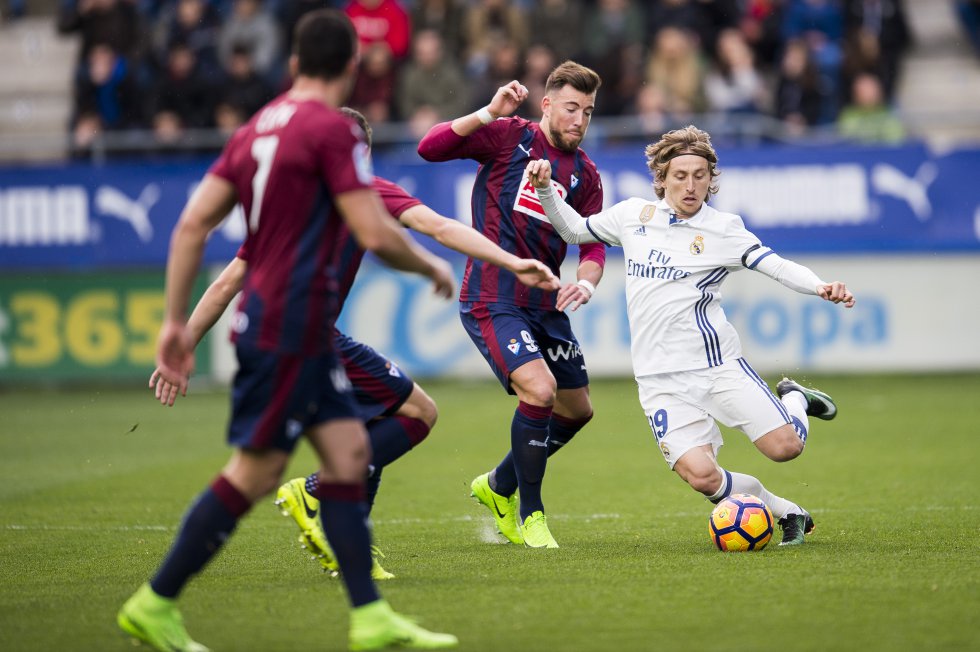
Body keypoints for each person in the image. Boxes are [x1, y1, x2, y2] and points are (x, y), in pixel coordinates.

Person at [116, 10, 458, 652]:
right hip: (289, 327)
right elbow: (373, 229)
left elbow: (191, 226)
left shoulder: (255, 130)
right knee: (253, 474)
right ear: (351, 67)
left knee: (349, 458)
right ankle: (154, 601)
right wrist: (430, 267)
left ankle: (370, 616)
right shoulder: (331, 130)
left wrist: (174, 326)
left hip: (293, 329)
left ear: (295, 63)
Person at [148, 107, 560, 580]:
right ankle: (314, 493)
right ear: (361, 153)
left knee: (362, 426)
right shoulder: (367, 190)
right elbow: (439, 227)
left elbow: (225, 285)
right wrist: (511, 262)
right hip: (308, 336)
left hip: (260, 335)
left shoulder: (286, 199)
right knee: (417, 413)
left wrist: (183, 342)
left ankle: (353, 554)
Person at [525, 125, 856, 546]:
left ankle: (795, 399)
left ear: (710, 179)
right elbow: (575, 231)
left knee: (785, 448)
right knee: (702, 476)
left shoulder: (724, 229)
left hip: (716, 368)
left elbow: (776, 265)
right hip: (659, 380)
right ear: (662, 178)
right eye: (680, 175)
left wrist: (820, 286)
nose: (690, 185)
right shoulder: (633, 217)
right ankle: (786, 511)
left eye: (700, 175)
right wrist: (545, 189)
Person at [417, 61, 606, 549]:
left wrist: (586, 285)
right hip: (493, 296)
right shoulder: (508, 137)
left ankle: (498, 485)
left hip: (546, 304)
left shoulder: (586, 175)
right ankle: (531, 514)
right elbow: (430, 148)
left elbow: (593, 247)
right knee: (540, 390)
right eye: (571, 108)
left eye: (587, 111)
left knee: (577, 410)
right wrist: (487, 111)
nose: (579, 120)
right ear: (546, 104)